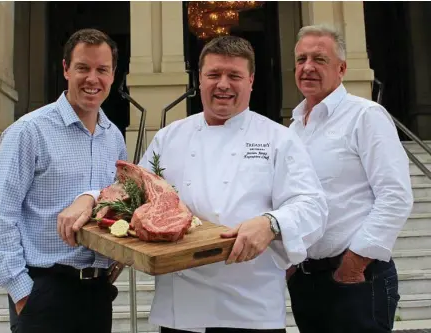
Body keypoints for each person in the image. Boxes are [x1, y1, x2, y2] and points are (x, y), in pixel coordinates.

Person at [66, 35, 328, 333]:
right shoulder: (171, 136)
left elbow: (313, 206)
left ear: (251, 81)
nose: (223, 84)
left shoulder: (279, 139)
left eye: (234, 76)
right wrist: (88, 198)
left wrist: (271, 223)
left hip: (251, 308)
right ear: (199, 80)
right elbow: (130, 190)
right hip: (181, 310)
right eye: (214, 75)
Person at [0, 28, 127, 333]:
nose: (93, 79)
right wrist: (23, 294)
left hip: (98, 294)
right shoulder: (29, 131)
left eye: (102, 70)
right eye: (82, 68)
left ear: (113, 75)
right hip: (44, 291)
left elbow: (116, 200)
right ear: (65, 69)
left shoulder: (114, 138)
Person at [286, 24, 414, 333]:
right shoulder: (292, 129)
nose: (308, 67)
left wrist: (353, 264)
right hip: (307, 282)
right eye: (301, 59)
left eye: (319, 59)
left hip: (356, 280)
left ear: (341, 68)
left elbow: (395, 196)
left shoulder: (365, 116)